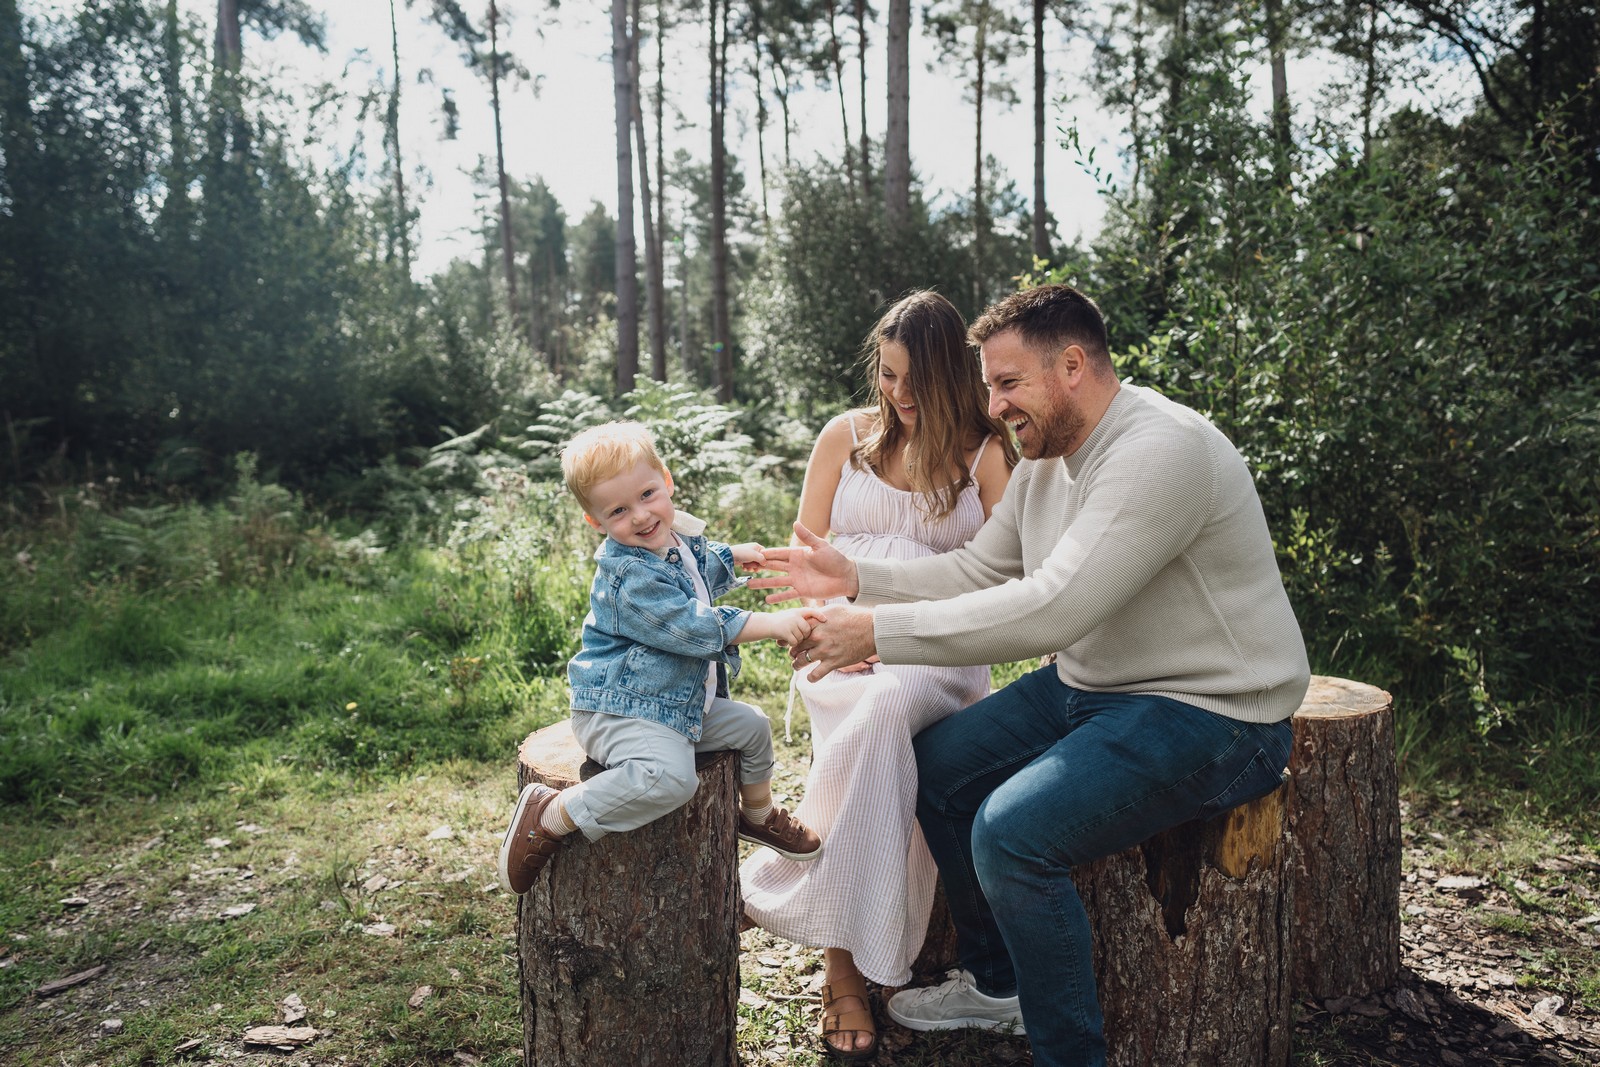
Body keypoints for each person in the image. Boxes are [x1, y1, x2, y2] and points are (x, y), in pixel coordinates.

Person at [754, 284, 1311, 1067]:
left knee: (1010, 833)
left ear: (1072, 365)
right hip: (1095, 686)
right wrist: (857, 576)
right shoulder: (1050, 456)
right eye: (989, 385)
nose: (993, 404)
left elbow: (1053, 609)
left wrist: (875, 631)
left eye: (1008, 383)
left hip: (1214, 710)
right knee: (939, 770)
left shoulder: (1160, 451)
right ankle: (998, 984)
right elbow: (981, 566)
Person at [739, 291, 1017, 1061]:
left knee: (888, 705)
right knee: (873, 710)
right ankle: (848, 956)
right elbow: (807, 559)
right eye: (888, 374)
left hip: (938, 654)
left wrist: (889, 634)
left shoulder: (985, 456)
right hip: (842, 645)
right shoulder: (845, 436)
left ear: (952, 375)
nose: (898, 393)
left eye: (915, 380)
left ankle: (830, 949)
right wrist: (831, 627)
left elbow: (1007, 582)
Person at [497, 421, 823, 896]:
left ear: (666, 481)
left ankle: (756, 814)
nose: (641, 516)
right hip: (620, 710)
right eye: (618, 511)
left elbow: (694, 565)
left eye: (648, 494)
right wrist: (769, 623)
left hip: (671, 704)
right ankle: (551, 814)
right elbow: (690, 624)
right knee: (672, 781)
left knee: (752, 726)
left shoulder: (672, 540)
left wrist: (732, 556)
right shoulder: (628, 574)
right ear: (596, 522)